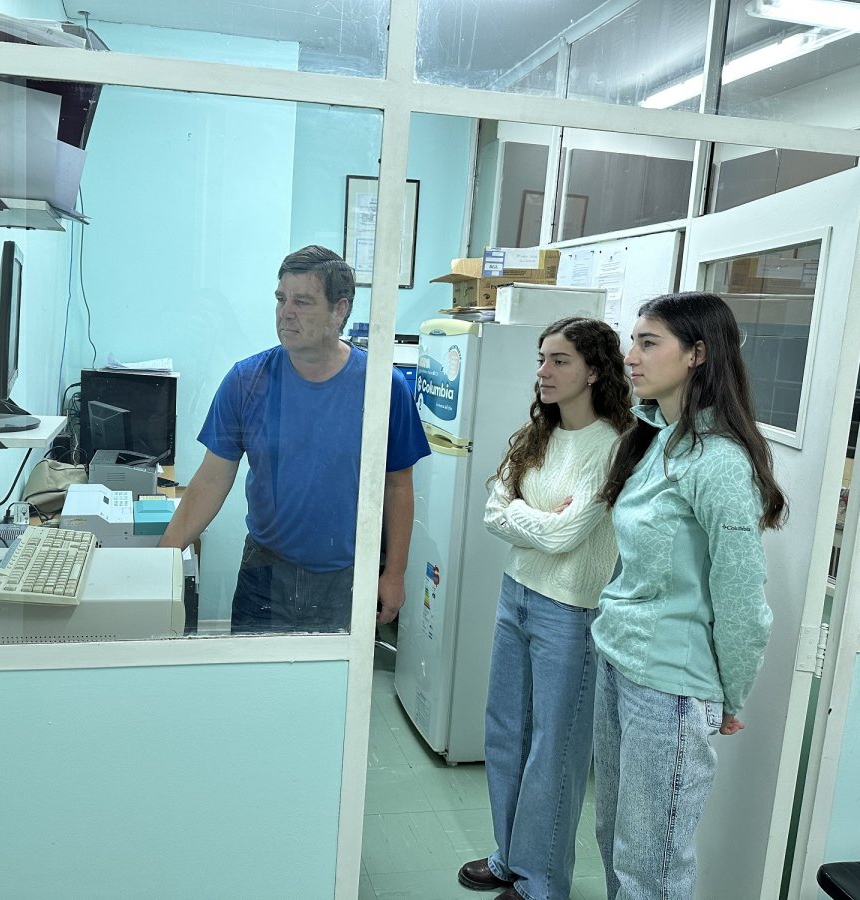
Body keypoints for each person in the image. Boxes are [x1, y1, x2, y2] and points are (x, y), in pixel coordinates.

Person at [592, 291, 787, 899]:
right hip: (621, 659)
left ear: (698, 354)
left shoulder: (719, 461)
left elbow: (740, 597)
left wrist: (730, 693)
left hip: (672, 684)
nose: (631, 356)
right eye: (634, 341)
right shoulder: (659, 438)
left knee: (651, 863)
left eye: (649, 343)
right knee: (616, 840)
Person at [158, 245, 429, 634]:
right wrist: (163, 560)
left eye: (302, 301)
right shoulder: (247, 382)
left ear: (340, 309)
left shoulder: (382, 387)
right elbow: (212, 479)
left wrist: (395, 573)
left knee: (330, 693)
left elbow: (398, 486)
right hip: (264, 573)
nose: (286, 312)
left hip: (346, 577)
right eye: (281, 299)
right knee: (254, 686)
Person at [458, 317, 633, 900]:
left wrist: (523, 518)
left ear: (593, 370)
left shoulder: (614, 444)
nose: (543, 372)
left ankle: (542, 882)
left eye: (558, 361)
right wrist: (540, 518)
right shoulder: (538, 434)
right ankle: (511, 857)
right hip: (517, 595)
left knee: (553, 750)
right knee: (505, 734)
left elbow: (567, 537)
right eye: (541, 359)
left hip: (572, 611)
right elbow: (493, 512)